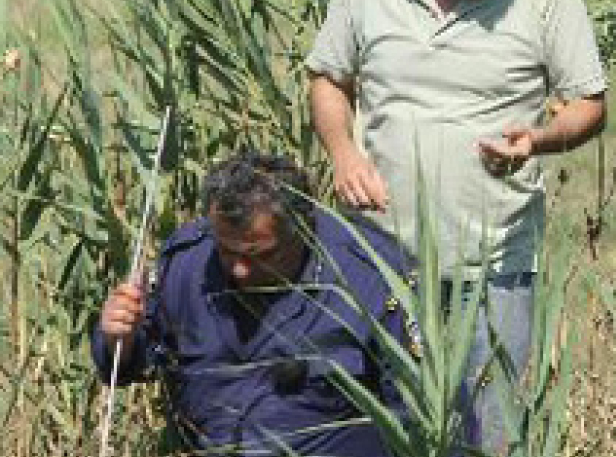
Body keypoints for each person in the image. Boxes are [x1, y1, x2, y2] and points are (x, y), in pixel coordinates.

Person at [306, 0, 607, 453]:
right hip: (383, 262)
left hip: (494, 264)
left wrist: (538, 140)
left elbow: (589, 105)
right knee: (388, 435)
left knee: (492, 438)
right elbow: (328, 78)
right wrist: (344, 156)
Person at [93, 153, 426, 456]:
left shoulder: (371, 272)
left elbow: (423, 413)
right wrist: (117, 336)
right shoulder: (186, 262)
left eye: (259, 255)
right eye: (227, 251)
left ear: (304, 230)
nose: (239, 269)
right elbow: (127, 366)